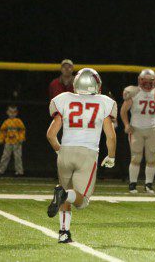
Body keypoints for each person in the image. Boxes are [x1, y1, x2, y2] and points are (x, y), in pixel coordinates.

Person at [46, 68, 117, 243]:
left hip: (66, 152)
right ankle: (62, 196)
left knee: (67, 191)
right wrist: (111, 156)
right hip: (87, 153)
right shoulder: (104, 102)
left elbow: (50, 134)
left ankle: (64, 232)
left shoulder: (64, 100)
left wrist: (59, 150)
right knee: (81, 200)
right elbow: (111, 136)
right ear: (96, 84)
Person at [121, 69, 155, 194]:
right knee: (136, 157)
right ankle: (132, 184)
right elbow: (123, 110)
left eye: (149, 81)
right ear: (140, 81)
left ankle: (149, 185)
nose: (147, 84)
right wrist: (126, 124)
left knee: (152, 158)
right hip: (136, 129)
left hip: (152, 129)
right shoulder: (134, 92)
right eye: (144, 81)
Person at [0, 105, 26, 176]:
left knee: (18, 157)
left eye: (14, 112)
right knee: (5, 156)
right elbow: (2, 131)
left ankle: (19, 172)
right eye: (10, 112)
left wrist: (21, 138)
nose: (12, 114)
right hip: (8, 142)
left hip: (17, 142)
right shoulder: (6, 122)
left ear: (16, 113)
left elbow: (22, 130)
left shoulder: (18, 121)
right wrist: (1, 139)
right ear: (7, 112)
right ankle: (0, 171)